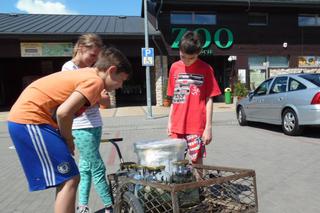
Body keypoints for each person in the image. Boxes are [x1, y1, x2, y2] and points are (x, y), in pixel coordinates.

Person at [7, 47, 132, 213]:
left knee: (69, 178)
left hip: (33, 120)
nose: (120, 86)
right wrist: (68, 139)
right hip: (30, 119)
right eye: (121, 80)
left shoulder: (88, 74)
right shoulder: (95, 81)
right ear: (111, 70)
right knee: (69, 178)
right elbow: (64, 112)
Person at [61, 33, 112, 213]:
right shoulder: (69, 68)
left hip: (95, 123)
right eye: (92, 55)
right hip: (81, 126)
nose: (93, 60)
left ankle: (82, 206)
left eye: (96, 57)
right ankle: (110, 206)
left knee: (86, 167)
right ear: (81, 48)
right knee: (97, 166)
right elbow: (74, 100)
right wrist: (96, 97)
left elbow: (107, 102)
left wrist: (98, 98)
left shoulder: (93, 71)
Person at [167, 31, 221, 166]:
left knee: (197, 161)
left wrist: (208, 127)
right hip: (177, 125)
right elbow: (174, 98)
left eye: (191, 58)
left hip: (196, 126)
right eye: (183, 56)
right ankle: (182, 187)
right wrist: (169, 122)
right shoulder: (174, 68)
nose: (186, 61)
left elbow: (209, 99)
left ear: (199, 53)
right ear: (179, 50)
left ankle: (199, 187)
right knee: (176, 162)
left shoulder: (206, 69)